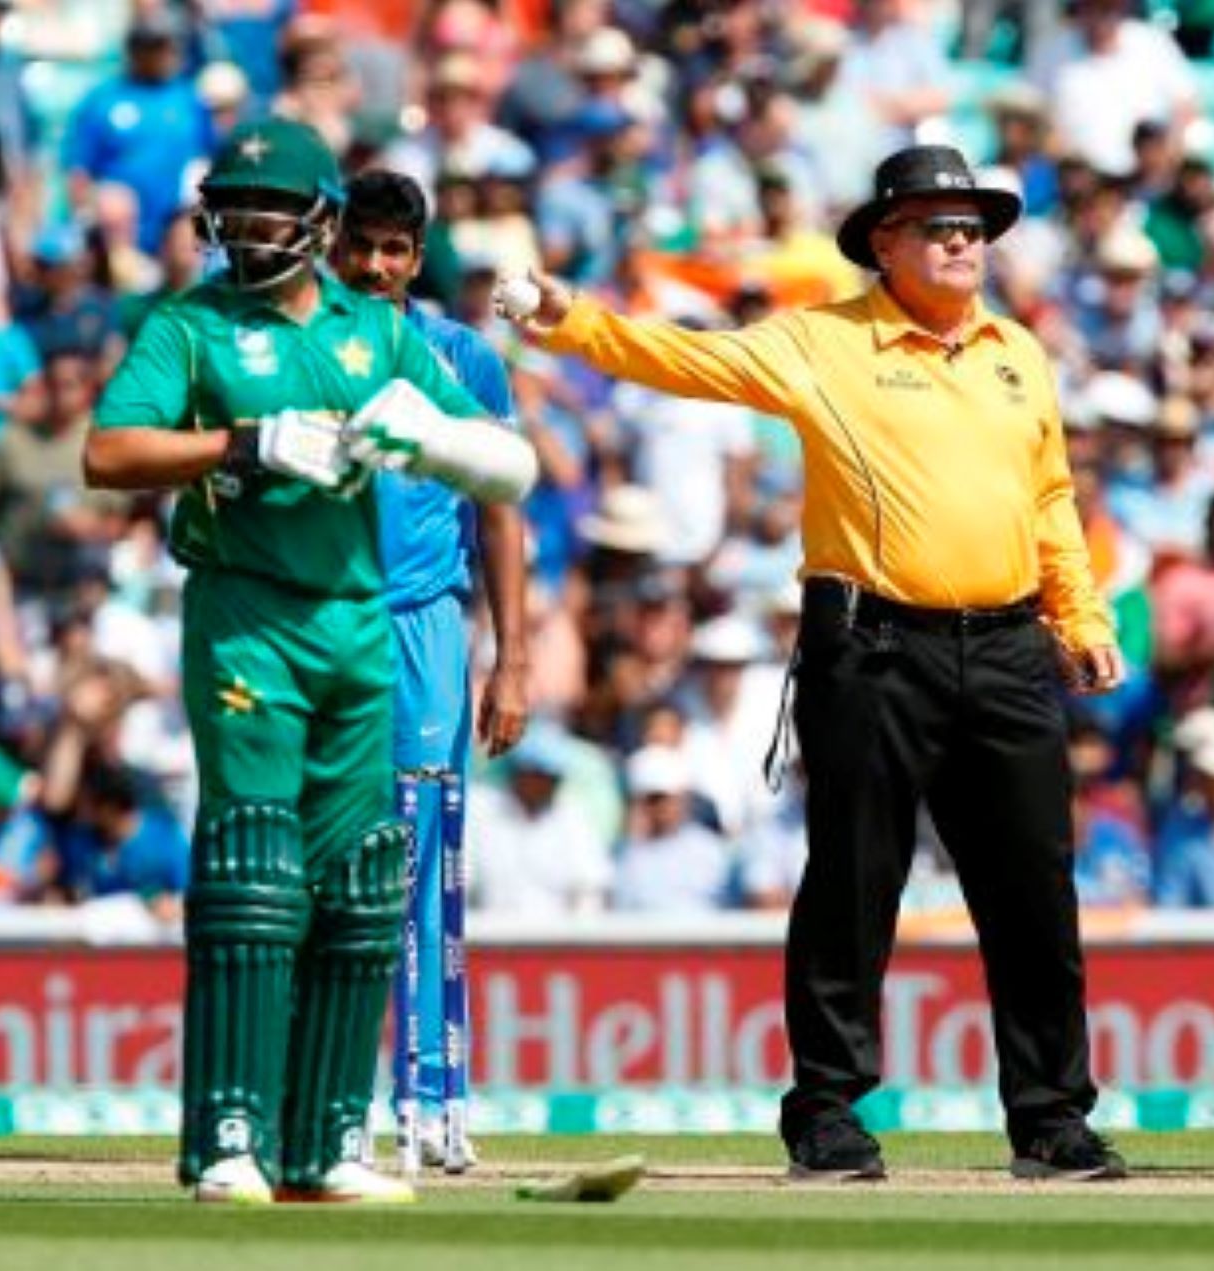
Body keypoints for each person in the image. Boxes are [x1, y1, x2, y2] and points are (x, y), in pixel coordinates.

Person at [498, 144, 1127, 1183]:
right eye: (935, 222)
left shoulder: (1018, 349)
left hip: (1011, 643)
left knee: (1033, 889)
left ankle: (1052, 1117)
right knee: (851, 880)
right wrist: (568, 319)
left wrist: (1081, 612)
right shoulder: (821, 341)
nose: (962, 238)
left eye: (971, 222)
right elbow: (682, 357)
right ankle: (828, 1110)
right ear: (884, 242)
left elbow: (1049, 497)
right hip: (875, 641)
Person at [83, 119, 536, 1205]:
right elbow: (110, 452)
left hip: (358, 620)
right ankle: (228, 1135)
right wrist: (244, 442)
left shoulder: (370, 332)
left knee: (362, 880)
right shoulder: (191, 323)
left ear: (317, 220)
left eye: (268, 215)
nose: (246, 233)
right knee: (255, 864)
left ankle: (329, 1140)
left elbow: (508, 465)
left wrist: (420, 436)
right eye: (232, 215)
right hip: (247, 609)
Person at [329, 166, 531, 1174]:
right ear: (334, 244)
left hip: (421, 628)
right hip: (316, 624)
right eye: (359, 244)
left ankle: (431, 1094)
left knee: (417, 861)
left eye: (392, 249)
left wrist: (512, 658)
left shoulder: (461, 357)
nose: (373, 264)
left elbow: (499, 508)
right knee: (322, 866)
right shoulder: (303, 349)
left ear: (416, 257)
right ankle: (325, 1097)